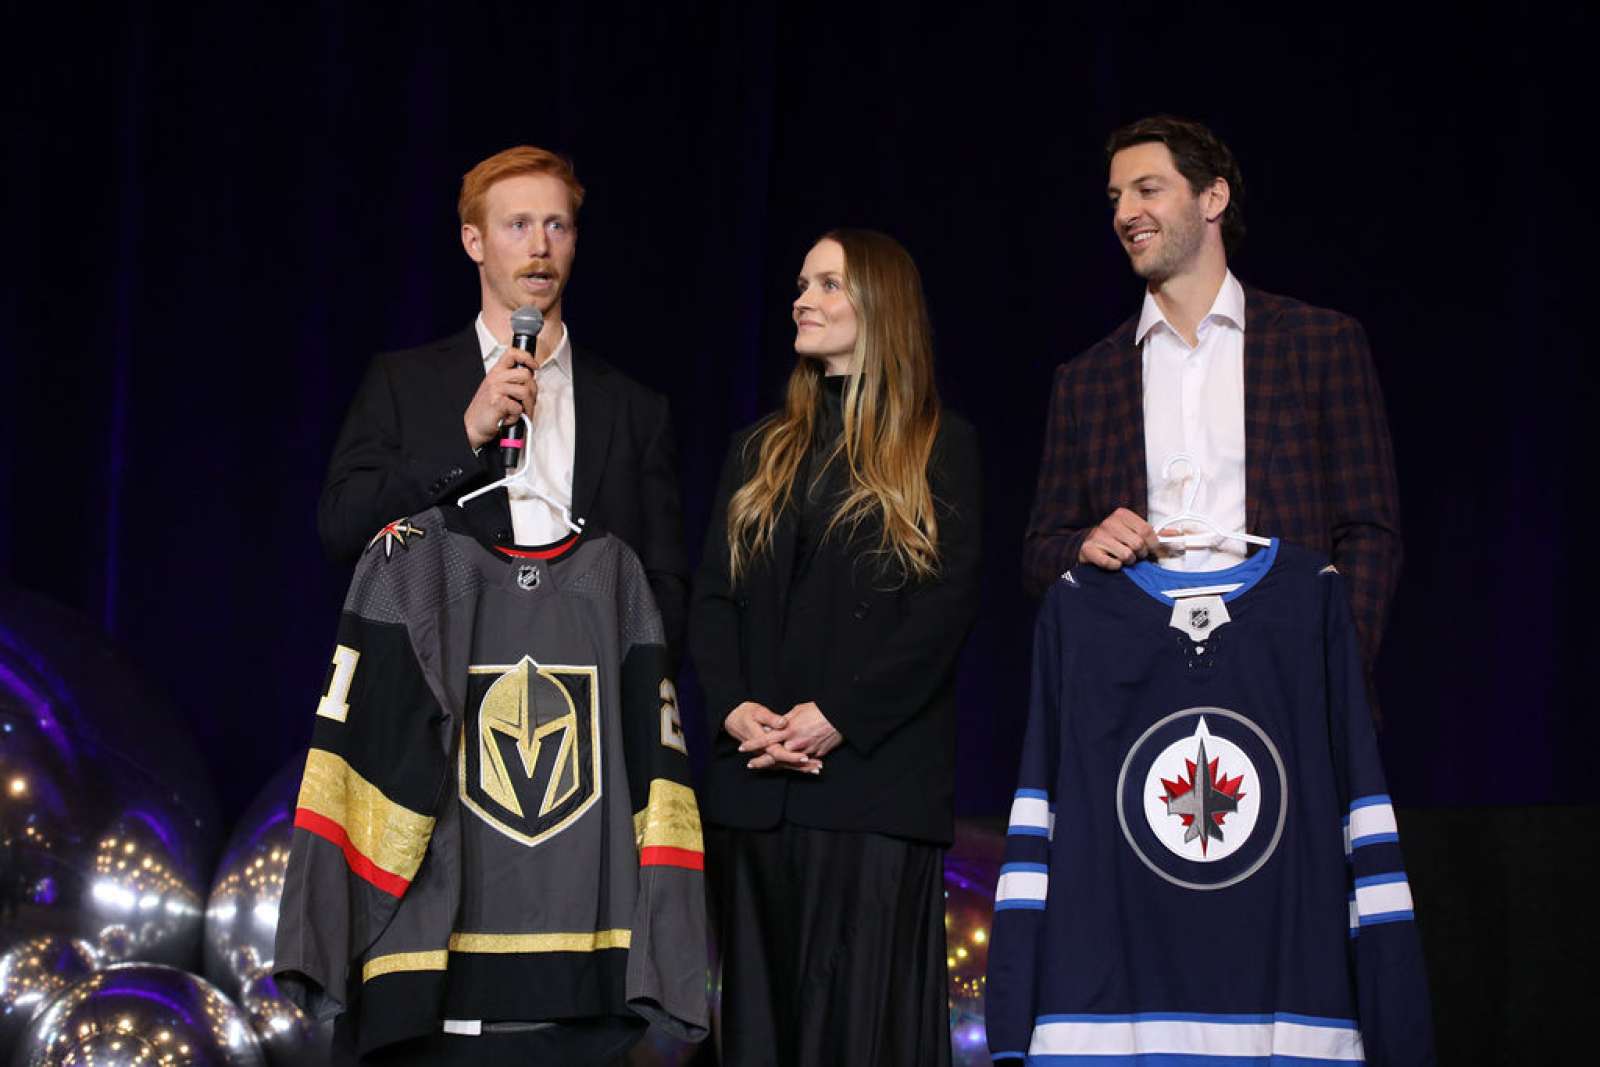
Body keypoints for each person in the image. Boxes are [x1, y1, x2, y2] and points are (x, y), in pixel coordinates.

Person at [690, 229, 982, 1065]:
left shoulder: (939, 446)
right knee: (756, 1037)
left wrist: (838, 715)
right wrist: (736, 708)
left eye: (826, 284)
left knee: (857, 1037)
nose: (802, 300)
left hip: (870, 796)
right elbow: (712, 598)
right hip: (756, 790)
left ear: (879, 306)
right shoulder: (760, 448)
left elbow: (944, 612)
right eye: (800, 284)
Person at [1022, 115, 1402, 670]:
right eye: (1116, 198)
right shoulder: (1088, 380)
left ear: (1212, 198)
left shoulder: (1318, 345)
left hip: (1284, 667)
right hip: (1142, 676)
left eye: (1148, 189)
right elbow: (1040, 555)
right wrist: (1083, 545)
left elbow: (1369, 532)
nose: (1126, 214)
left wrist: (1333, 665)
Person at [317, 146, 688, 657]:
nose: (540, 246)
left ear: (575, 240)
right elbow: (343, 528)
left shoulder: (634, 409)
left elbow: (665, 584)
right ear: (474, 241)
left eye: (557, 226)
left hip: (583, 681)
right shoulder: (404, 383)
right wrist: (466, 435)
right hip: (444, 678)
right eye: (518, 225)